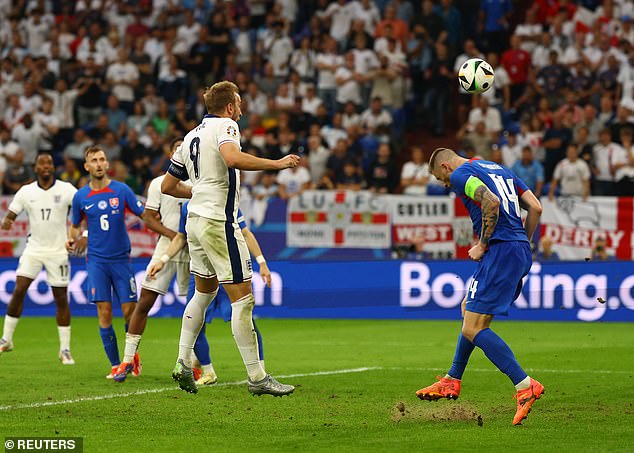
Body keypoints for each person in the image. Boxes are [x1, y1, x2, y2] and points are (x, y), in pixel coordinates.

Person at [161, 81, 299, 395]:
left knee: (204, 292)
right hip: (217, 221)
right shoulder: (227, 126)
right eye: (238, 102)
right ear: (229, 106)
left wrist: (195, 191)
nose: (241, 108)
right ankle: (258, 378)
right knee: (243, 299)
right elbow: (233, 158)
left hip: (195, 220)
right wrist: (276, 164)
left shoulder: (191, 135)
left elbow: (168, 185)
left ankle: (183, 361)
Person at [417, 148, 544, 426]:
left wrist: (483, 243)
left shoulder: (462, 174)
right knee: (469, 310)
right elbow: (535, 207)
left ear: (447, 167)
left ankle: (524, 385)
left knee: (474, 327)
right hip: (516, 249)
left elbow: (490, 202)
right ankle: (452, 378)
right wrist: (524, 242)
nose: (447, 185)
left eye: (443, 180)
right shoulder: (497, 169)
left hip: (499, 251)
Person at [147, 203, 270, 386]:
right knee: (196, 322)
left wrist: (262, 262)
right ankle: (208, 371)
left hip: (227, 270)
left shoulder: (225, 200)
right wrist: (163, 260)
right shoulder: (187, 207)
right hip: (201, 271)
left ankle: (259, 371)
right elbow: (181, 237)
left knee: (244, 317)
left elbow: (244, 233)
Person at [113, 139, 191, 382]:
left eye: (184, 147)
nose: (180, 150)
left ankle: (196, 365)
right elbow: (148, 217)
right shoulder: (159, 183)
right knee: (144, 301)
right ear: (170, 153)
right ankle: (127, 360)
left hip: (196, 251)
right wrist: (173, 234)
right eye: (176, 147)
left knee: (196, 308)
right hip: (166, 247)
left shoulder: (201, 181)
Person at [66, 147, 147, 378]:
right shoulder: (80, 196)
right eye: (94, 160)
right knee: (104, 312)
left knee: (129, 311)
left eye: (102, 159)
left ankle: (131, 357)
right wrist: (72, 240)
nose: (99, 164)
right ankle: (115, 365)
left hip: (121, 259)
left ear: (107, 164)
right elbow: (75, 226)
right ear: (87, 166)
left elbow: (143, 215)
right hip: (97, 262)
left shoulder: (121, 191)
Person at [0, 154, 77, 364]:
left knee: (61, 298)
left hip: (58, 251)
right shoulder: (26, 191)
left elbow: (81, 209)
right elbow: (11, 215)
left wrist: (81, 235)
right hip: (33, 249)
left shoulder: (67, 189)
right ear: (35, 168)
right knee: (19, 289)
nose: (46, 166)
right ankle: (6, 339)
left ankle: (65, 349)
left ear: (53, 167)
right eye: (42, 163)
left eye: (49, 163)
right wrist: (6, 222)